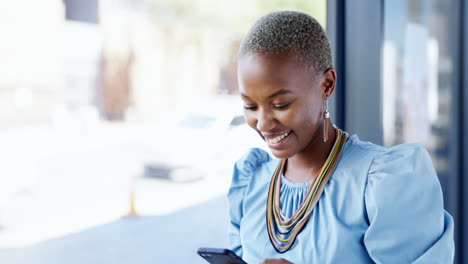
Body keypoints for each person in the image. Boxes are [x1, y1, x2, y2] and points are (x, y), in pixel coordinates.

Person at [228, 10, 454, 264]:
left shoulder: (383, 183)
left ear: (327, 84)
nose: (263, 123)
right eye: (250, 106)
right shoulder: (253, 182)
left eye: (280, 104)